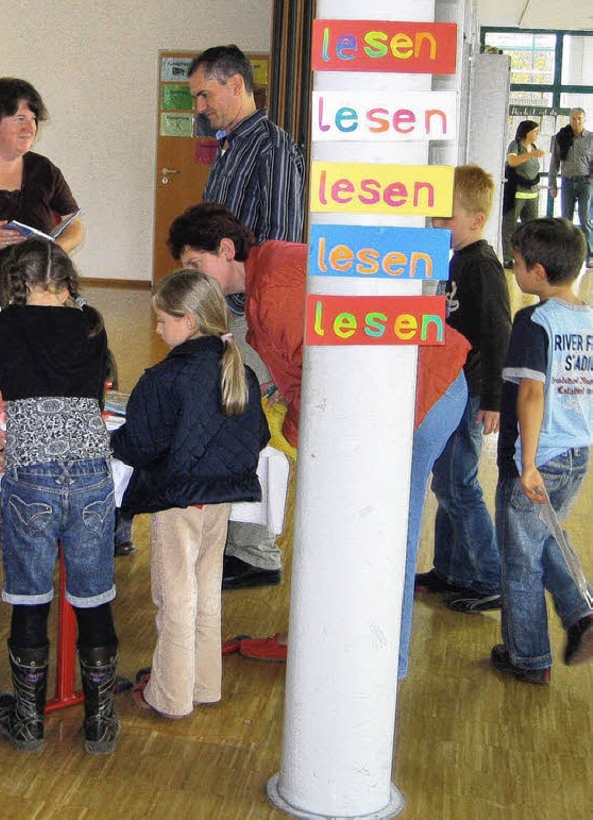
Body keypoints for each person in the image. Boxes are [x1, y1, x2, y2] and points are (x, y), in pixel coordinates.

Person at [167, 203, 471, 674]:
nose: (193, 277)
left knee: (389, 532)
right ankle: (341, 641)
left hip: (419, 391)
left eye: (195, 264)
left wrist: (297, 433)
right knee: (368, 527)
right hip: (415, 387)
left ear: (226, 250)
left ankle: (383, 661)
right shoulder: (269, 271)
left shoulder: (272, 287)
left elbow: (324, 378)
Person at [0, 239, 119, 754]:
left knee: (29, 596)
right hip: (93, 474)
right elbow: (90, 400)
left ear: (15, 285)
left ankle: (28, 724)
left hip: (32, 478)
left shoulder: (3, 326)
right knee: (93, 596)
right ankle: (99, 723)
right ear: (67, 283)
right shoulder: (92, 322)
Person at [111, 270, 269, 719]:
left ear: (190, 320)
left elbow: (139, 445)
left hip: (177, 500)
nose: (158, 331)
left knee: (174, 596)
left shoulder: (165, 378)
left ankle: (171, 694)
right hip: (220, 497)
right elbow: (255, 436)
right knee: (205, 589)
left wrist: (114, 439)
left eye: (163, 321)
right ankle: (204, 683)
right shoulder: (240, 370)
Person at [188, 44, 305, 589]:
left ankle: (257, 552)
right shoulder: (231, 145)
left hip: (255, 316)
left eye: (205, 94)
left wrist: (243, 313)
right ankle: (238, 542)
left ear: (236, 84)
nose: (200, 106)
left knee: (255, 427)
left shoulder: (274, 150)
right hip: (229, 313)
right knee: (233, 423)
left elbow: (281, 240)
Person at [0, 77, 84, 542]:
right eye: (19, 117)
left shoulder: (44, 169)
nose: (29, 126)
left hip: (33, 302)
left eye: (33, 118)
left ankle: (21, 483)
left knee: (26, 391)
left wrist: (57, 249)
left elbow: (74, 226)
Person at [492, 218, 593, 683]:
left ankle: (528, 657)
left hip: (537, 457)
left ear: (536, 270)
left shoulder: (533, 321)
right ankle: (581, 614)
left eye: (515, 264)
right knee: (544, 536)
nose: (513, 271)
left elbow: (531, 395)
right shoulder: (588, 319)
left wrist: (527, 462)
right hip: (576, 451)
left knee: (520, 558)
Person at [416, 165, 512, 613]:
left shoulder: (484, 268)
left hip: (472, 391)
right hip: (453, 387)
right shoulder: (456, 260)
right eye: (433, 217)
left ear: (475, 218)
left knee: (459, 485)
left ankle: (489, 576)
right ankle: (451, 569)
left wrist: (494, 400)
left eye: (445, 217)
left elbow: (498, 335)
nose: (437, 226)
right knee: (448, 483)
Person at [548, 107, 593, 265]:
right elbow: (554, 162)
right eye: (573, 118)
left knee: (585, 218)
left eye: (579, 118)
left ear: (584, 119)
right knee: (566, 219)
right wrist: (552, 184)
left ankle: (590, 255)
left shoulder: (591, 138)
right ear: (569, 120)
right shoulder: (561, 137)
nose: (576, 121)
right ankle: (566, 254)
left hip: (586, 182)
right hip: (567, 182)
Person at [501, 120, 545, 268]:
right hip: (517, 193)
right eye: (534, 131)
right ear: (526, 132)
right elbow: (512, 161)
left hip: (532, 194)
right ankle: (508, 258)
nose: (537, 133)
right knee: (509, 226)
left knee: (532, 228)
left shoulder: (533, 146)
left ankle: (529, 257)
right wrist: (530, 154)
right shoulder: (515, 145)